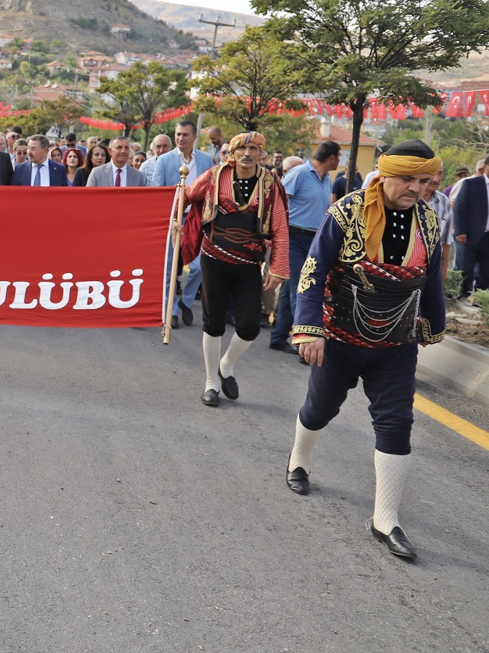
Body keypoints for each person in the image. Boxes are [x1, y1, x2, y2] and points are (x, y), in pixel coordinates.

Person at [285, 140, 446, 560]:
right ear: (386, 173)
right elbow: (314, 269)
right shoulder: (346, 211)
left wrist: (433, 323)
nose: (416, 188)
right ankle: (298, 462)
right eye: (408, 179)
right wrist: (309, 328)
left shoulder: (429, 221)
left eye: (423, 180)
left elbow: (431, 279)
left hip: (396, 342)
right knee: (320, 408)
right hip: (339, 337)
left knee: (396, 423)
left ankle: (385, 519)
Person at [181, 132, 289, 406]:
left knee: (250, 326)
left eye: (254, 148)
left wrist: (278, 268)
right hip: (213, 257)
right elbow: (187, 194)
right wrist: (174, 214)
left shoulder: (270, 183)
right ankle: (211, 383)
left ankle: (226, 365)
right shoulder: (215, 175)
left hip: (249, 262)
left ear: (261, 154)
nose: (247, 153)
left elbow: (279, 227)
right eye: (243, 148)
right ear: (233, 152)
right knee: (213, 322)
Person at [270, 141, 340, 354]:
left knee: (290, 291)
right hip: (292, 238)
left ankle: (278, 337)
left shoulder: (326, 179)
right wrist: (273, 235)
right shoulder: (299, 173)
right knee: (301, 288)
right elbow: (278, 202)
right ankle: (304, 343)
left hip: (312, 240)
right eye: (339, 157)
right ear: (332, 158)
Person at [151, 120, 216, 328]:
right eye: (178, 134)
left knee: (198, 267)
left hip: (197, 220)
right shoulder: (164, 160)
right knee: (170, 267)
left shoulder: (207, 160)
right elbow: (157, 191)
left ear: (194, 137)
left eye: (185, 135)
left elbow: (213, 190)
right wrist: (166, 220)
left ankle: (186, 301)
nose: (180, 138)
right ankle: (172, 311)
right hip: (173, 219)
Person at [453, 153, 489, 301]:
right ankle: (463, 296)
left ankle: (480, 299)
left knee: (485, 272)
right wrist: (460, 231)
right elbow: (459, 209)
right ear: (486, 167)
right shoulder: (471, 184)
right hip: (469, 236)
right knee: (465, 270)